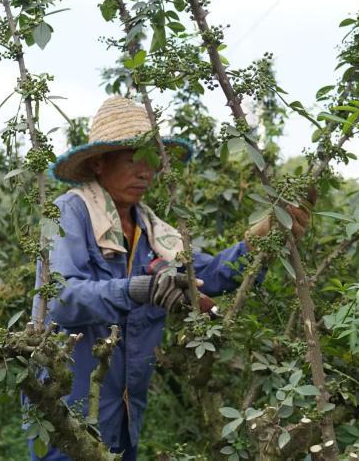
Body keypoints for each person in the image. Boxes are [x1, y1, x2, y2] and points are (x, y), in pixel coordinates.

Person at [28, 96, 310, 460]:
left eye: (151, 161)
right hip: (71, 402)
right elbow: (62, 299)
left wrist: (259, 243)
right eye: (133, 159)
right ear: (99, 162)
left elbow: (206, 275)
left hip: (126, 407)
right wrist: (139, 289)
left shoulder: (152, 231)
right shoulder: (70, 212)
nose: (145, 172)